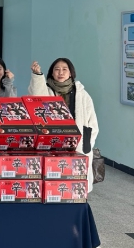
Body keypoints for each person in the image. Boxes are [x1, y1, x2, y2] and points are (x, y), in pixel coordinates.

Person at [28, 58, 99, 192]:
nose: (60, 72)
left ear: (70, 73)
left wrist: (86, 143)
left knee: (75, 184)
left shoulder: (82, 94)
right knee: (53, 182)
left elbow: (92, 123)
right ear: (52, 73)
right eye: (57, 69)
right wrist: (37, 75)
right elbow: (36, 97)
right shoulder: (47, 90)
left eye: (64, 69)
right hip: (53, 143)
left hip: (77, 145)